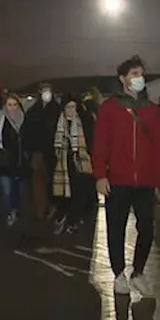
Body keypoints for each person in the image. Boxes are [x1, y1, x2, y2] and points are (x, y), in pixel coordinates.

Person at [91, 55, 160, 297]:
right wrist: (100, 175)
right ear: (123, 79)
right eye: (134, 74)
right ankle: (118, 274)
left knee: (147, 227)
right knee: (116, 227)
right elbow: (101, 143)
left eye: (141, 73)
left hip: (144, 180)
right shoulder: (110, 108)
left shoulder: (152, 110)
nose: (139, 78)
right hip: (118, 179)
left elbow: (158, 145)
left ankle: (138, 272)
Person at [53, 94, 96, 233]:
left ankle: (74, 219)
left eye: (74, 107)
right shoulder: (58, 122)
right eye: (69, 107)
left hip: (80, 161)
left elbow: (90, 139)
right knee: (66, 193)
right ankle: (66, 216)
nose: (72, 110)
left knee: (80, 191)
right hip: (63, 162)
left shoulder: (83, 121)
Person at [24, 83, 62, 223]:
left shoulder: (56, 110)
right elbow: (27, 132)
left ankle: (52, 207)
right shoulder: (33, 111)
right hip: (37, 152)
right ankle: (41, 210)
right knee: (38, 182)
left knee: (51, 181)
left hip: (52, 152)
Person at [0, 94, 29, 226]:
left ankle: (17, 211)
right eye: (9, 105)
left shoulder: (25, 118)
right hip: (5, 162)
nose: (12, 108)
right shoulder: (0, 118)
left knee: (20, 191)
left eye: (15, 105)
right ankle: (9, 213)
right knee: (7, 191)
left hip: (21, 162)